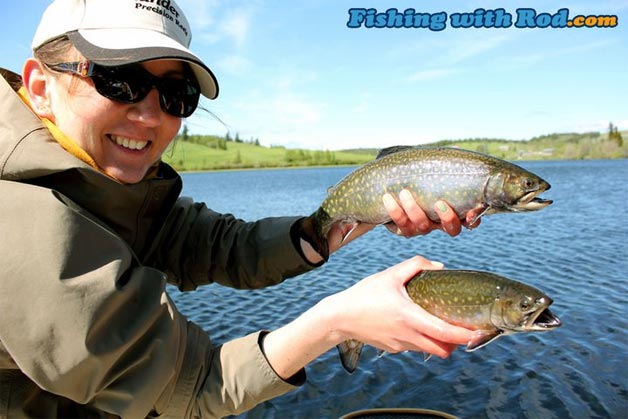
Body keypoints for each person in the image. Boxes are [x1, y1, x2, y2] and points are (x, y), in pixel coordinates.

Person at [0, 0, 479, 417]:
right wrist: (337, 321)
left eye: (175, 95)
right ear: (40, 88)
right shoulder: (21, 221)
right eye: (119, 80)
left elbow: (213, 245)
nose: (149, 115)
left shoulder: (99, 180)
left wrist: (354, 217)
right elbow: (190, 387)